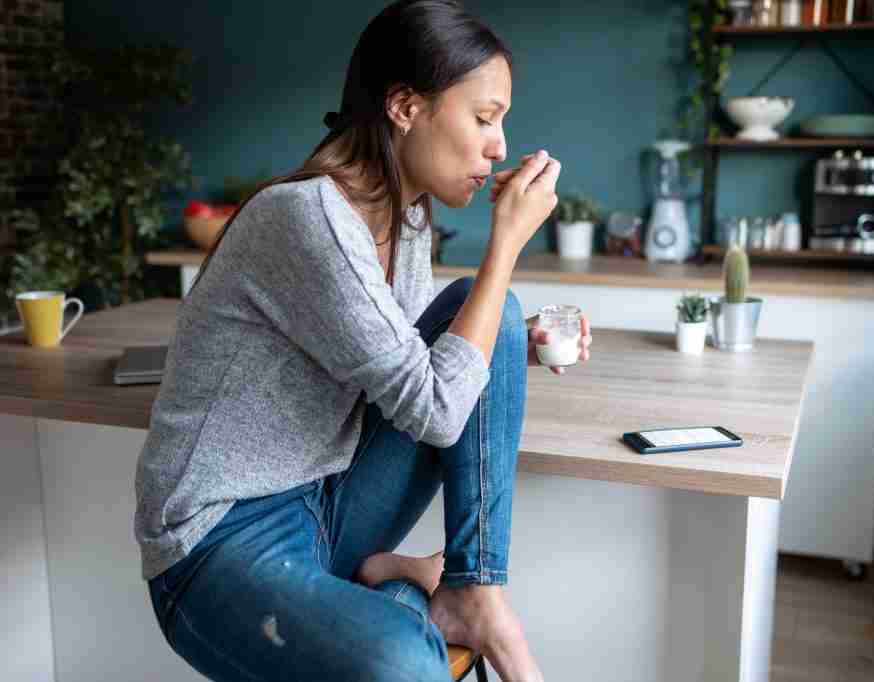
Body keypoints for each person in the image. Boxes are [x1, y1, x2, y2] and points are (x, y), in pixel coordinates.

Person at [134, 1, 593, 680]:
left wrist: (510, 339)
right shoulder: (307, 217)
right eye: (485, 117)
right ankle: (404, 590)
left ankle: (473, 589)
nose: (499, 146)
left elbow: (405, 364)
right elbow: (433, 412)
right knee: (403, 665)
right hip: (218, 538)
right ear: (405, 106)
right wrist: (506, 244)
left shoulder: (406, 218)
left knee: (488, 316)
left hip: (328, 501)